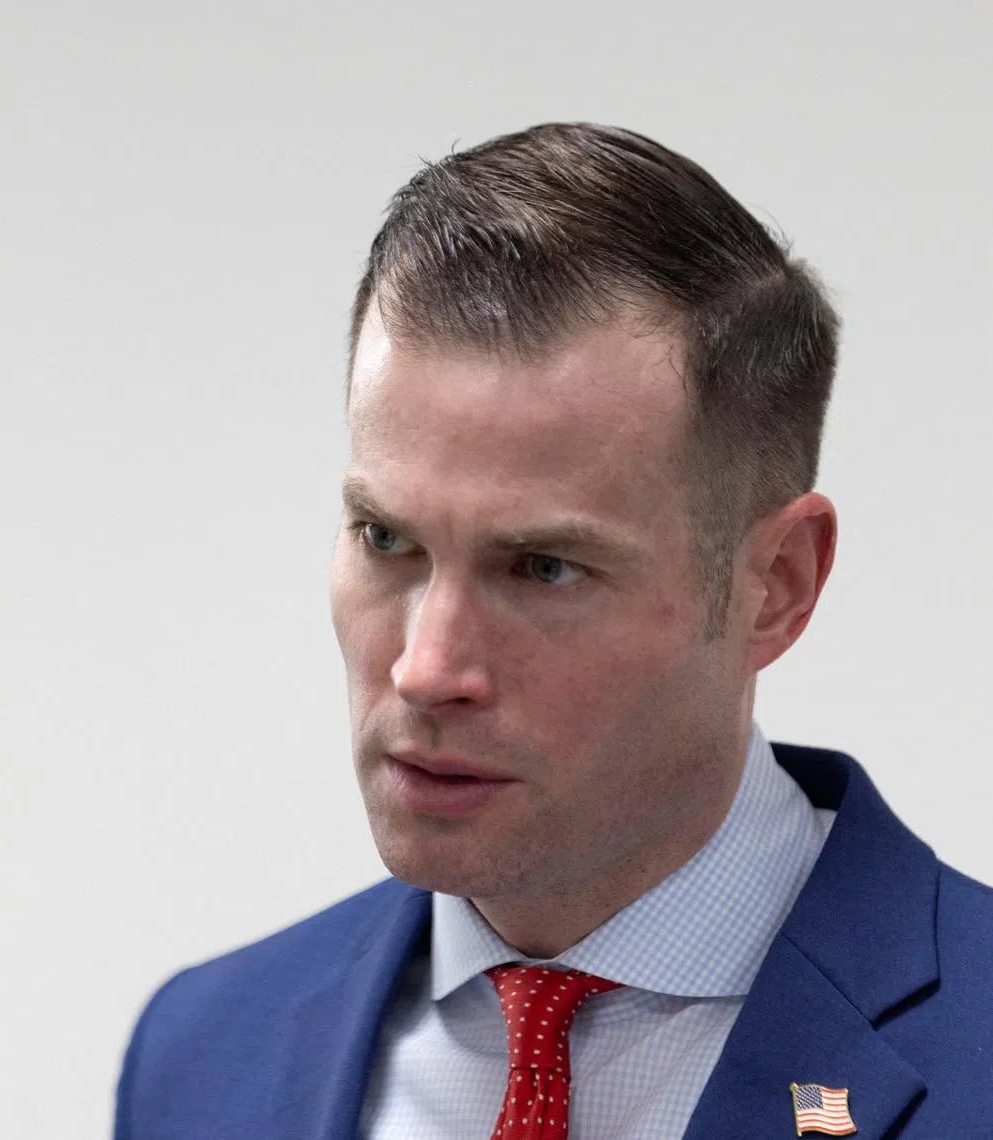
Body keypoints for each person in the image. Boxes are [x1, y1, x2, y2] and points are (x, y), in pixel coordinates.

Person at [113, 123, 993, 1139]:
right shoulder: (204, 1057)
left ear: (776, 587)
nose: (427, 668)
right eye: (386, 539)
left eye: (543, 568)